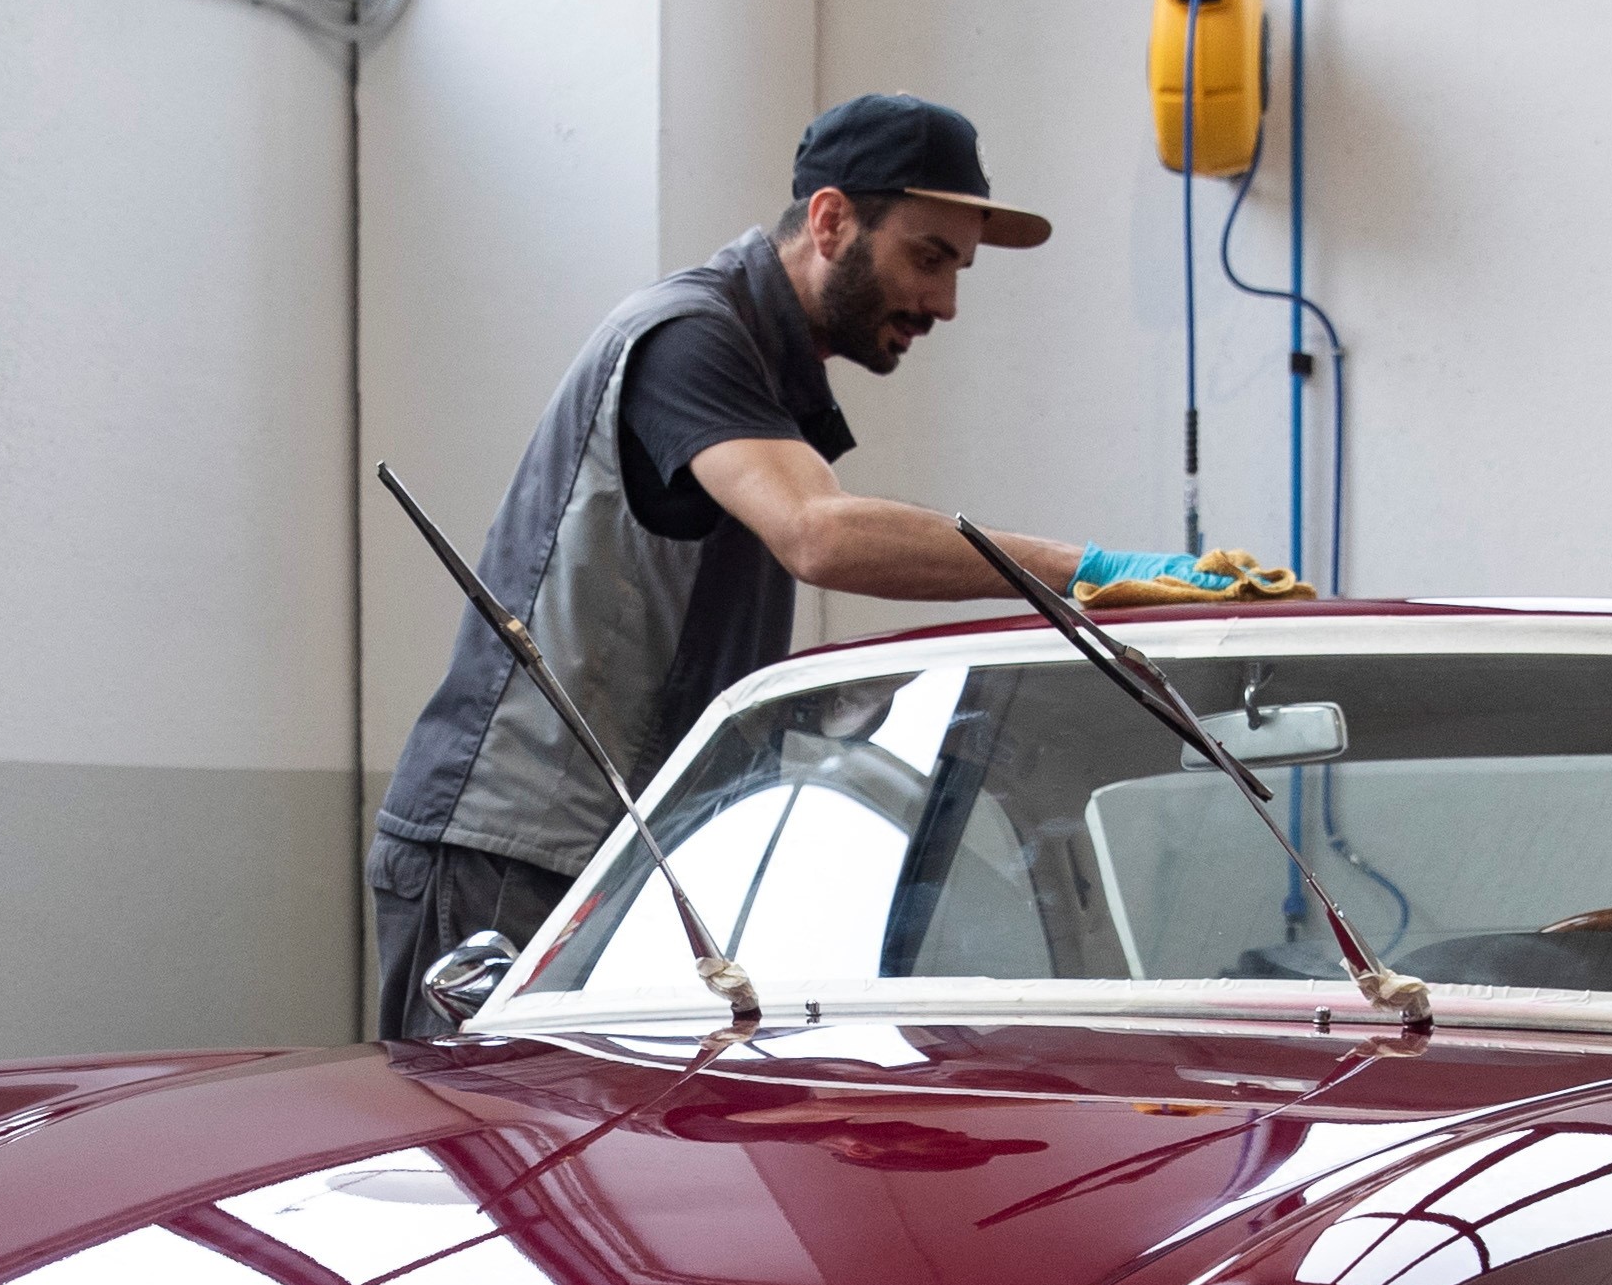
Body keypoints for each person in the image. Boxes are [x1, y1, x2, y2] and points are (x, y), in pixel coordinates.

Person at [366, 91, 1277, 1037]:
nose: (946, 303)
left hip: (614, 855)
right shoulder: (691, 338)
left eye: (958, 269)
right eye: (928, 257)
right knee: (501, 1167)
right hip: (510, 851)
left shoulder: (764, 373)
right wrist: (1088, 570)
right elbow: (819, 533)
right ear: (832, 220)